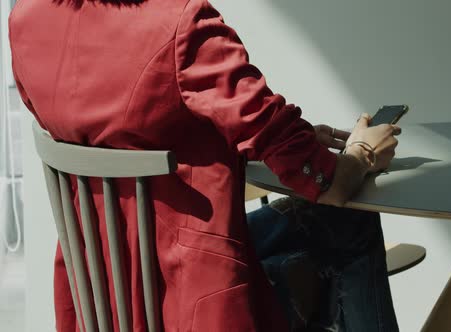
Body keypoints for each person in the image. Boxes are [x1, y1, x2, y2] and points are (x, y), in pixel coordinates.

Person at [9, 0, 401, 331]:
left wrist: (274, 139)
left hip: (101, 293)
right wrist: (361, 154)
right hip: (191, 302)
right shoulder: (181, 23)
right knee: (351, 220)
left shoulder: (29, 18)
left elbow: (120, 126)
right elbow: (331, 185)